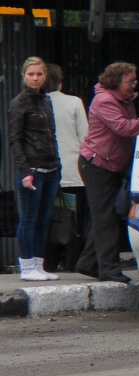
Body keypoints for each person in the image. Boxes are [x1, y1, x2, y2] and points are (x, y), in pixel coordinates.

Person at [76, 62, 139, 284]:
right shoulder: (104, 101)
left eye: (135, 81)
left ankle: (88, 262)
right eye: (129, 82)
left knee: (106, 215)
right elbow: (124, 128)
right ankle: (109, 269)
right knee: (106, 219)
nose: (133, 86)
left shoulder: (125, 100)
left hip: (111, 165)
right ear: (115, 82)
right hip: (97, 165)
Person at [8, 57, 62, 281]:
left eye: (39, 74)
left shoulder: (46, 100)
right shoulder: (19, 103)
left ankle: (39, 265)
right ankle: (27, 266)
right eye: (31, 74)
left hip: (51, 168)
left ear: (45, 76)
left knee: (43, 219)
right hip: (32, 170)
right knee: (29, 218)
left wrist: (58, 163)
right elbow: (15, 140)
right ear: (24, 76)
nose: (35, 78)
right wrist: (25, 171)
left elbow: (52, 134)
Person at [44, 64, 89, 272]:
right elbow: (85, 138)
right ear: (61, 82)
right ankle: (73, 263)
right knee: (73, 221)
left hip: (46, 173)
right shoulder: (74, 103)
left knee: (50, 219)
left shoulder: (38, 103)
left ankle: (50, 263)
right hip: (73, 173)